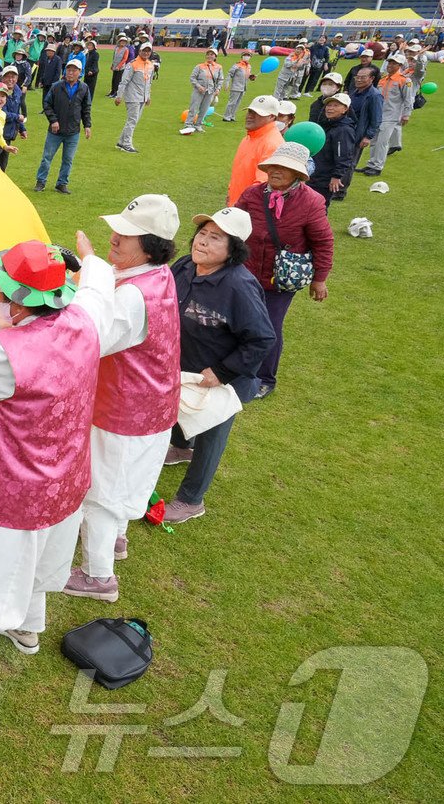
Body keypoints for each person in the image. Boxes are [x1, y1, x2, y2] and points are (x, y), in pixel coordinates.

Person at [0, 236, 114, 737]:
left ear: (14, 302)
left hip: (14, 497)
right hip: (68, 483)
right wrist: (90, 259)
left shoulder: (1, 353)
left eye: (0, 293)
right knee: (43, 564)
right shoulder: (84, 321)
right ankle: (29, 626)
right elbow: (98, 288)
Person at [63, 195, 181, 601]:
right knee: (124, 479)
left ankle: (98, 577)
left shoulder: (134, 296)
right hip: (153, 403)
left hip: (124, 409)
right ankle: (116, 537)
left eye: (127, 234)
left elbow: (92, 335)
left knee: (100, 491)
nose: (114, 237)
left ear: (150, 246)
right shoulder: (157, 275)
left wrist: (89, 268)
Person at [162, 207, 275, 523]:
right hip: (188, 368)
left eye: (215, 238)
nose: (202, 242)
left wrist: (223, 371)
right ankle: (181, 447)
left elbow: (262, 338)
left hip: (225, 381)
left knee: (211, 434)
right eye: (202, 234)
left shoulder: (239, 286)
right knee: (178, 408)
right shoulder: (185, 266)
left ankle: (191, 500)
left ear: (233, 249)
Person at [234, 142, 334, 399]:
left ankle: (265, 378)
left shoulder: (311, 202)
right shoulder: (252, 194)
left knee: (268, 327)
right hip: (245, 272)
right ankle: (236, 369)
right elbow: (232, 226)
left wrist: (320, 279)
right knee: (238, 321)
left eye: (284, 167)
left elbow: (323, 242)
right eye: (273, 166)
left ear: (298, 174)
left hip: (280, 278)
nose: (276, 171)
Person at [35, 60, 91, 194]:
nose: (70, 73)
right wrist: (53, 120)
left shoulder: (84, 88)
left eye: (74, 70)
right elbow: (47, 104)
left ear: (80, 72)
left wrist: (87, 125)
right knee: (47, 157)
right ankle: (41, 181)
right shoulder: (56, 86)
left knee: (68, 159)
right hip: (55, 131)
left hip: (73, 131)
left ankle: (62, 183)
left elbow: (86, 108)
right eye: (68, 70)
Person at [359, 54, 412, 178]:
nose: (390, 65)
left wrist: (406, 114)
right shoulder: (383, 79)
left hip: (391, 115)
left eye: (394, 63)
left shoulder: (404, 80)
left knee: (382, 142)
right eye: (389, 63)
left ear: (400, 65)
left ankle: (377, 167)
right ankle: (371, 164)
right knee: (374, 140)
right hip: (378, 114)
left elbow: (408, 99)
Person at [226, 95, 284, 206]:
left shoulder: (272, 144)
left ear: (272, 117)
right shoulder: (249, 138)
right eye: (250, 111)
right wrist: (231, 192)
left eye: (257, 113)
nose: (250, 116)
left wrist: (241, 204)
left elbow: (262, 184)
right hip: (239, 203)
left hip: (249, 207)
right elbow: (240, 172)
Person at [308, 92, 357, 205]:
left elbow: (344, 155)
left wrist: (336, 176)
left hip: (325, 178)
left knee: (318, 207)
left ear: (345, 109)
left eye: (336, 106)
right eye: (329, 105)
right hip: (315, 174)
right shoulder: (326, 124)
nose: (330, 108)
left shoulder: (344, 130)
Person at [114, 42, 155, 153]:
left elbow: (149, 82)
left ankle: (121, 142)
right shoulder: (132, 64)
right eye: (144, 50)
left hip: (142, 97)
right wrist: (119, 96)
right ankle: (127, 144)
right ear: (140, 51)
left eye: (148, 51)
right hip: (133, 97)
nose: (146, 53)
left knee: (133, 121)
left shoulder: (150, 65)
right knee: (132, 121)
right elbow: (124, 81)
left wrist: (148, 96)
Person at [346, 65, 382, 173]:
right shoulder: (354, 92)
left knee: (349, 163)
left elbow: (376, 118)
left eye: (363, 77)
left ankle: (343, 183)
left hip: (358, 134)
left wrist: (368, 136)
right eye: (357, 77)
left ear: (371, 78)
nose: (359, 80)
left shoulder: (374, 96)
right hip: (347, 131)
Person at [183, 49, 223, 134]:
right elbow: (192, 78)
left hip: (210, 91)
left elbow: (220, 79)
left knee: (204, 109)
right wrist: (198, 86)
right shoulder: (199, 66)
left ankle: (198, 125)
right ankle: (188, 124)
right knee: (193, 108)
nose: (209, 56)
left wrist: (218, 89)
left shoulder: (219, 67)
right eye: (208, 54)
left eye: (212, 54)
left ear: (215, 56)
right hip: (198, 91)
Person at [221, 52, 255, 121]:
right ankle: (226, 116)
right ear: (242, 56)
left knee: (237, 103)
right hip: (236, 87)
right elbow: (229, 74)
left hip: (243, 88)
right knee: (232, 102)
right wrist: (227, 83)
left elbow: (247, 75)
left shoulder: (249, 66)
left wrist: (251, 77)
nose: (247, 57)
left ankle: (232, 116)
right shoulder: (237, 65)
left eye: (248, 56)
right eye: (245, 55)